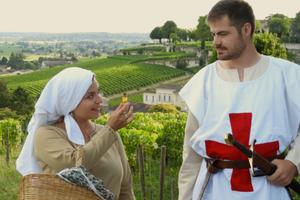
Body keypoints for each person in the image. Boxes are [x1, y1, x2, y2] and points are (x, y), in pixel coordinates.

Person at [178, 0, 300, 199]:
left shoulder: (288, 76)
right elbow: (191, 157)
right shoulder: (202, 82)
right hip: (214, 192)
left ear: (246, 29)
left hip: (269, 191)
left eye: (223, 33)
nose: (216, 41)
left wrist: (294, 162)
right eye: (214, 34)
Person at [16, 67, 136, 200]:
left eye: (98, 93)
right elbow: (74, 165)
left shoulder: (108, 134)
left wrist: (109, 130)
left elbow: (125, 189)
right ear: (69, 101)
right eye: (90, 96)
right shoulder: (46, 134)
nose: (99, 100)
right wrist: (110, 129)